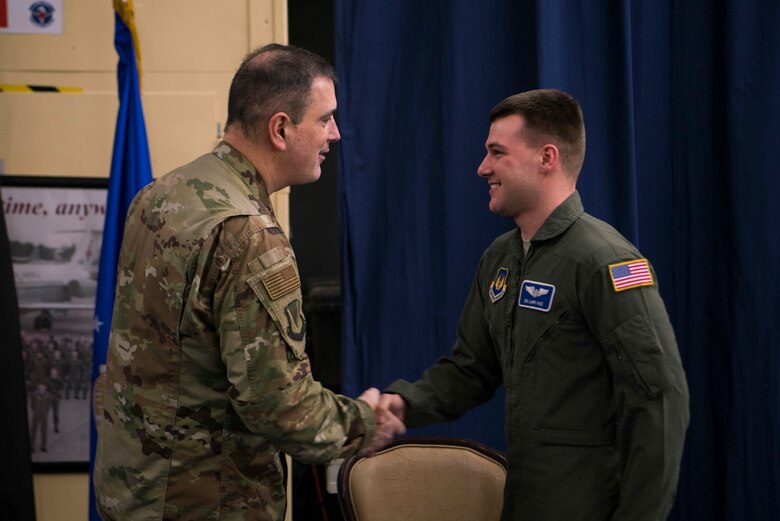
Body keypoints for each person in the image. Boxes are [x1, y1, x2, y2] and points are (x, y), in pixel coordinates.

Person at [94, 44, 403, 521]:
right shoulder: (248, 233)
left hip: (132, 488)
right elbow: (279, 408)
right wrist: (363, 421)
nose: (335, 134)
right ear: (280, 129)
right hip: (202, 501)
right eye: (325, 119)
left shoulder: (160, 193)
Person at [378, 89, 689, 520]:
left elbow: (660, 401)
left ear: (547, 158)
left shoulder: (605, 261)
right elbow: (472, 370)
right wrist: (404, 405)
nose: (482, 167)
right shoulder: (500, 258)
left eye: (497, 152)